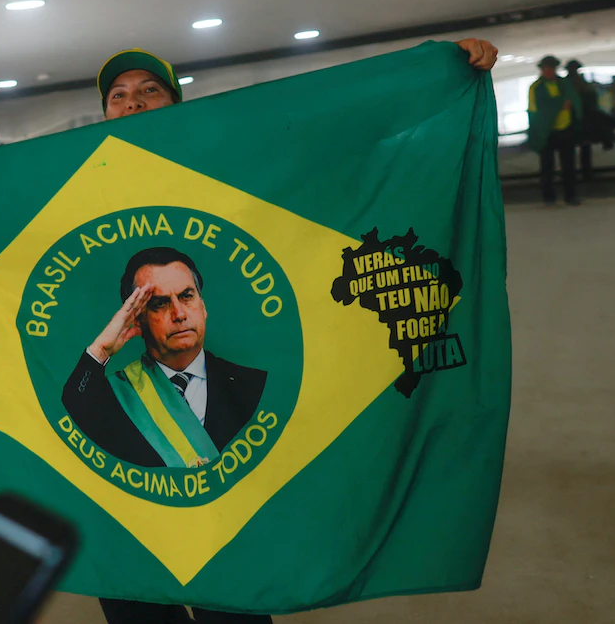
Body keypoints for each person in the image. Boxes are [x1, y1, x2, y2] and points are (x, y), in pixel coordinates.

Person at [88, 40, 499, 624]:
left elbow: (326, 136)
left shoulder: (227, 160)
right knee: (137, 586)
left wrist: (435, 72)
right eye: (118, 95)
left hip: (230, 420)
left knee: (232, 584)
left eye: (150, 90)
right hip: (132, 438)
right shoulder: (80, 187)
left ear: (177, 103)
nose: (133, 103)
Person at [63, 247, 267, 468]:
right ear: (136, 318)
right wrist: (101, 350)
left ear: (203, 306)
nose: (179, 314)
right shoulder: (117, 397)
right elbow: (66, 425)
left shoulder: (254, 386)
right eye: (160, 303)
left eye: (187, 296)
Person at [527, 56, 582, 207]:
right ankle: (549, 197)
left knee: (569, 165)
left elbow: (575, 100)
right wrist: (559, 104)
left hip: (565, 128)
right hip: (546, 131)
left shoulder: (565, 84)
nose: (549, 72)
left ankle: (571, 195)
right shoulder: (536, 87)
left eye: (552, 69)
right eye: (547, 69)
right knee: (547, 166)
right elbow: (536, 109)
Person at [565, 59, 615, 180]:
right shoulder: (571, 82)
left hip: (583, 117)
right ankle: (585, 172)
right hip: (579, 119)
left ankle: (585, 172)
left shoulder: (574, 81)